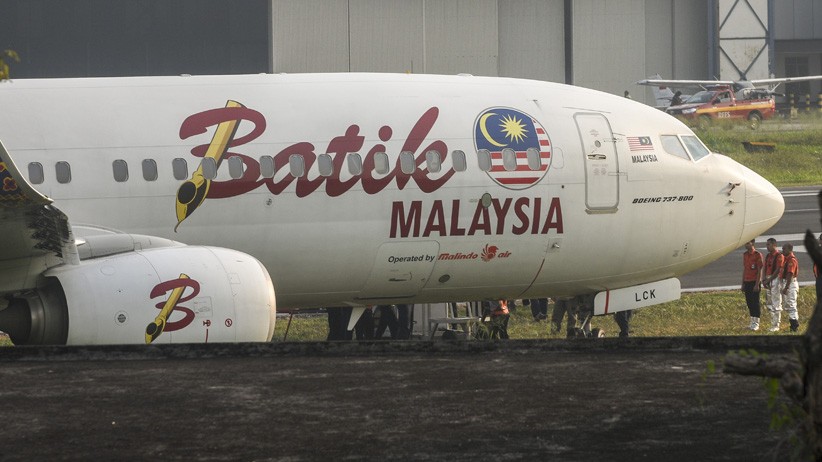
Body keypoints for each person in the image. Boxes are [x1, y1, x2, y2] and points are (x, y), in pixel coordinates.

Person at [762, 238, 784, 332]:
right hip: (768, 278)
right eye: (767, 245)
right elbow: (765, 267)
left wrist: (769, 280)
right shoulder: (768, 256)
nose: (767, 246)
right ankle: (772, 322)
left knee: (776, 302)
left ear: (774, 245)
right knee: (769, 302)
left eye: (769, 245)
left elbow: (778, 269)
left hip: (775, 279)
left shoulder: (779, 255)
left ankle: (776, 324)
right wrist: (763, 279)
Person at [741, 239, 763, 330]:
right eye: (745, 243)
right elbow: (745, 269)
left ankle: (756, 323)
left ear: (752, 243)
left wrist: (757, 284)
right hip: (747, 281)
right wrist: (742, 283)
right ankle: (752, 321)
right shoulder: (745, 255)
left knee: (755, 302)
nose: (746, 245)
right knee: (749, 302)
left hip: (754, 281)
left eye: (748, 243)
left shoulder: (757, 255)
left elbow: (759, 270)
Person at [780, 243, 801, 332]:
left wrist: (786, 287)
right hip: (787, 283)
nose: (782, 251)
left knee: (791, 304)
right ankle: (793, 321)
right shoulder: (786, 259)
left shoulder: (791, 260)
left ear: (789, 250)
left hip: (790, 284)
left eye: (784, 249)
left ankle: (794, 324)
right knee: (787, 305)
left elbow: (790, 274)